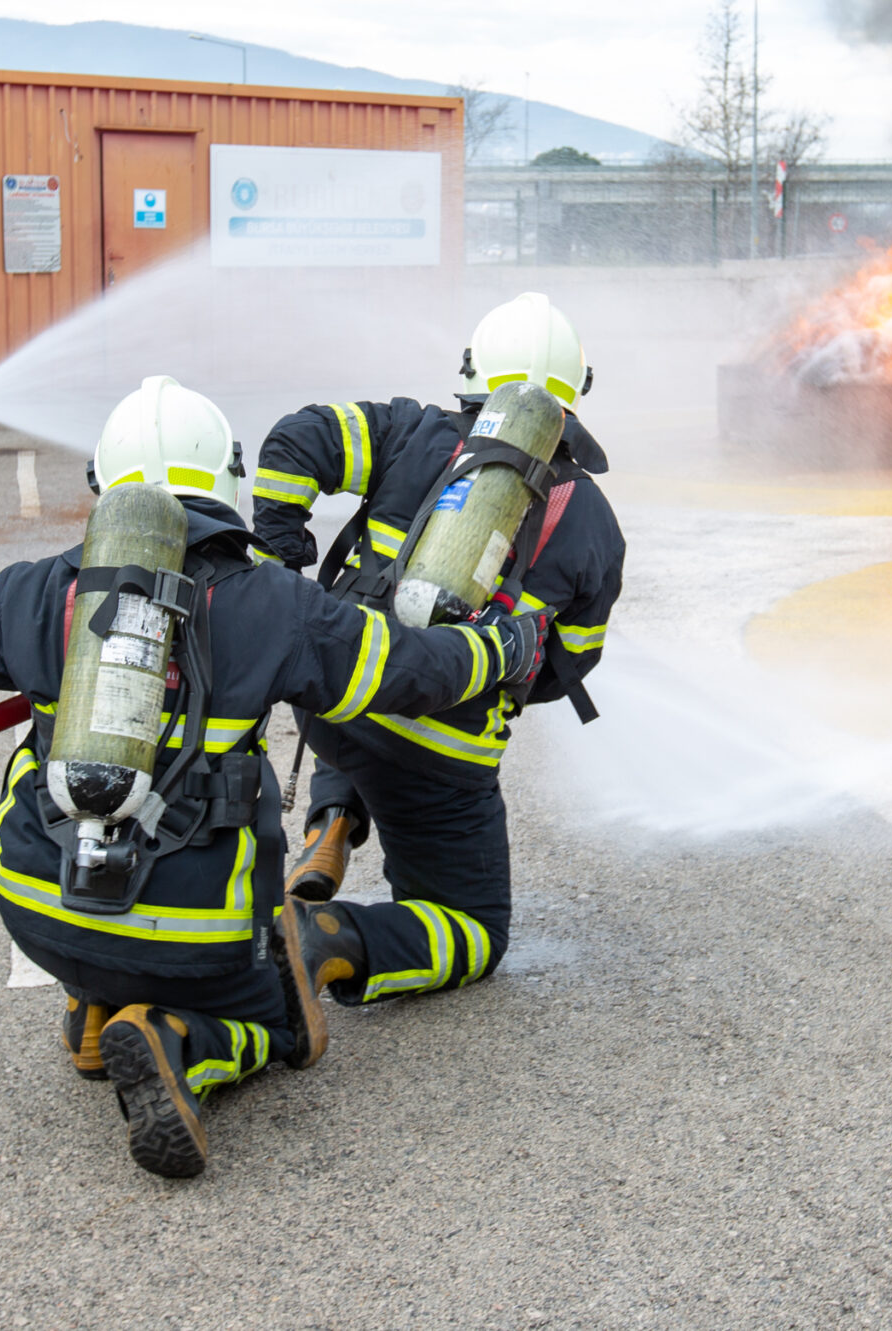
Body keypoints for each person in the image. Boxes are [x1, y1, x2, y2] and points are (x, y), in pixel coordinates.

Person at [0, 376, 546, 1178]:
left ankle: (91, 1005)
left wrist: (25, 621)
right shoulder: (276, 605)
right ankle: (176, 1040)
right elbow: (408, 669)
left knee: (86, 901)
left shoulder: (40, 591)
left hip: (39, 908)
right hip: (190, 938)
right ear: (226, 479)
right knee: (283, 1020)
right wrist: (501, 648)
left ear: (103, 482)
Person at [251, 291, 623, 1010]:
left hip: (335, 704)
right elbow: (568, 663)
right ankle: (323, 934)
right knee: (475, 929)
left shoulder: (410, 431)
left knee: (365, 703)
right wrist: (489, 667)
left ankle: (332, 819)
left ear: (473, 371)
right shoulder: (594, 522)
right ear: (576, 391)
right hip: (437, 758)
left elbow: (295, 440)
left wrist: (280, 565)